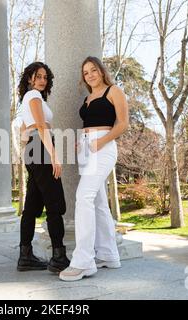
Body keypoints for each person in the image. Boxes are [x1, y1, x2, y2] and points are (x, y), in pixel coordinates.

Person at [59, 56, 129, 281]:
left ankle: (83, 261)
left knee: (83, 197)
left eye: (93, 70)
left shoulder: (113, 91)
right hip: (87, 149)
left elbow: (123, 123)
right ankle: (109, 255)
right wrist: (84, 141)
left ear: (101, 71)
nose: (90, 74)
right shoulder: (88, 98)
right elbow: (88, 124)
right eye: (86, 72)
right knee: (98, 202)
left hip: (104, 146)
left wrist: (102, 141)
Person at [16, 62, 70, 273]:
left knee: (31, 206)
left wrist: (28, 142)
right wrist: (54, 156)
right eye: (38, 76)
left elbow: (23, 132)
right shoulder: (34, 97)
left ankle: (25, 256)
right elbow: (40, 125)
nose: (42, 80)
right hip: (41, 149)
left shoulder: (26, 100)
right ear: (30, 78)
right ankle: (59, 257)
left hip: (33, 149)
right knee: (55, 203)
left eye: (45, 77)